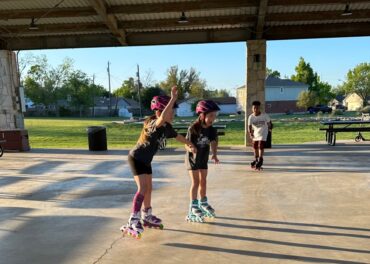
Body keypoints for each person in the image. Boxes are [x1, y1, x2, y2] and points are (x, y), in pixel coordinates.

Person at [121, 86, 197, 238]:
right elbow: (161, 118)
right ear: (161, 111)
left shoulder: (167, 128)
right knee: (142, 188)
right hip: (136, 158)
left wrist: (190, 144)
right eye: (171, 111)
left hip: (146, 160)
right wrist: (173, 98)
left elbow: (178, 137)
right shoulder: (152, 123)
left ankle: (146, 215)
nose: (173, 113)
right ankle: (133, 219)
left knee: (149, 188)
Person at [185, 100, 220, 222]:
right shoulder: (193, 128)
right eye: (211, 116)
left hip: (203, 158)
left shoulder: (212, 130)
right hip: (193, 159)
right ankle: (193, 205)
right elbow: (186, 143)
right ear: (202, 115)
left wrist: (214, 154)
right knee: (195, 182)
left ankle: (203, 202)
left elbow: (214, 142)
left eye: (215, 116)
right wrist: (191, 147)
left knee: (203, 181)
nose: (213, 119)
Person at [247, 100, 272, 171]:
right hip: (256, 133)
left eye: (257, 108)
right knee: (255, 146)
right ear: (252, 108)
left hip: (264, 132)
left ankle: (260, 160)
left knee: (260, 145)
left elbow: (269, 123)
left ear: (259, 108)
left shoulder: (264, 115)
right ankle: (256, 160)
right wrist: (250, 133)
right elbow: (249, 127)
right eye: (254, 108)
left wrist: (270, 128)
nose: (255, 110)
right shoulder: (251, 117)